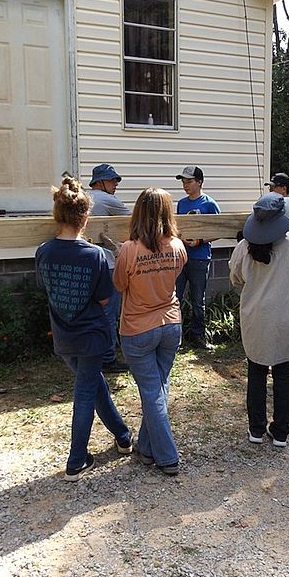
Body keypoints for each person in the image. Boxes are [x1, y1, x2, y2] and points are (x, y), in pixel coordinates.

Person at [36, 176, 132, 482]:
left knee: (93, 384)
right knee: (85, 393)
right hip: (91, 336)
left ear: (57, 216)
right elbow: (105, 297)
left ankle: (123, 436)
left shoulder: (44, 252)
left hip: (63, 336)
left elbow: (45, 288)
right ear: (86, 217)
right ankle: (77, 460)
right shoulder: (95, 255)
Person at [113, 188, 187, 475]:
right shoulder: (178, 246)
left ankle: (167, 457)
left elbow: (119, 285)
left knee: (151, 391)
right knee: (157, 388)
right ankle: (146, 448)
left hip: (137, 328)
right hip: (170, 324)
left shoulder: (129, 250)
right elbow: (177, 273)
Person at [230, 193, 289, 448]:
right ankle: (281, 432)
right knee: (283, 373)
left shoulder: (245, 247)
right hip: (286, 317)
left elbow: (236, 278)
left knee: (256, 373)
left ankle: (255, 429)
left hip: (256, 318)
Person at [89, 163, 131, 374]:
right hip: (107, 264)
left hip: (90, 263)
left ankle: (94, 354)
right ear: (100, 182)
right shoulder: (106, 199)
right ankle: (108, 358)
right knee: (110, 312)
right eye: (112, 180)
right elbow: (132, 221)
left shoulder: (87, 199)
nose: (115, 184)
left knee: (94, 311)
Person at [174, 165, 221, 350]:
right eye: (183, 181)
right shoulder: (181, 203)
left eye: (189, 181)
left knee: (197, 299)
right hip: (181, 256)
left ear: (199, 182)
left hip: (200, 258)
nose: (185, 185)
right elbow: (178, 227)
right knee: (175, 297)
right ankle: (175, 339)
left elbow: (219, 231)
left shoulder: (209, 204)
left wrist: (200, 241)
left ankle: (198, 336)